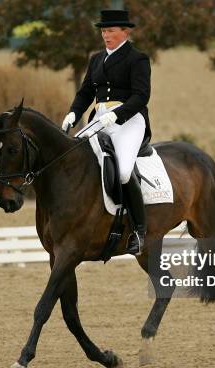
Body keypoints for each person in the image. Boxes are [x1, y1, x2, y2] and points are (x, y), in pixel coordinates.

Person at [61, 9, 151, 256]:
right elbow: (86, 92)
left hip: (129, 121)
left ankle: (139, 232)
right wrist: (73, 113)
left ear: (125, 31)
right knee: (72, 158)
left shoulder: (138, 59)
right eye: (103, 31)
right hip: (99, 120)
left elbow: (142, 95)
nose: (106, 35)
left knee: (123, 172)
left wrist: (118, 114)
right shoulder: (97, 59)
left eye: (111, 31)